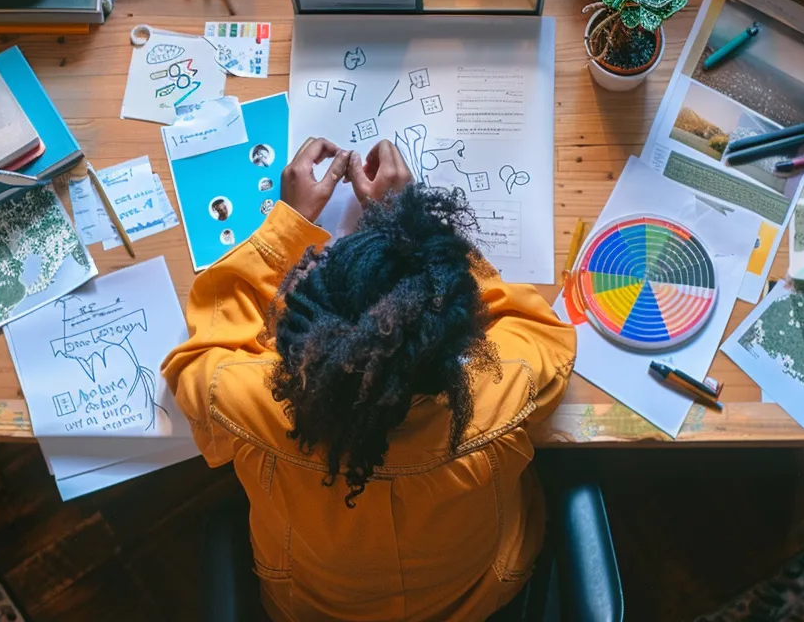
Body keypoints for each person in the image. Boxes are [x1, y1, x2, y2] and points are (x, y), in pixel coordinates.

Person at [162, 137, 576, 620]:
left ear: (297, 341)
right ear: (450, 333)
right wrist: (415, 234)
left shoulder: (252, 402)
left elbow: (195, 362)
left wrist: (286, 229)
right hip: (479, 599)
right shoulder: (501, 391)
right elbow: (544, 333)